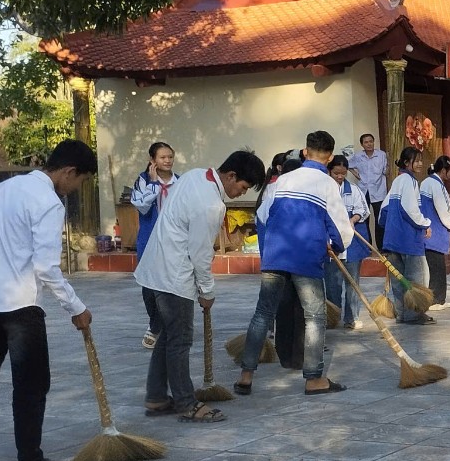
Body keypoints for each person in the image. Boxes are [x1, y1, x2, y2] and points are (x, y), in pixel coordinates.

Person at [0, 139, 98, 461]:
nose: (76, 188)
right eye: (80, 180)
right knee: (30, 386)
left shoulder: (3, 189)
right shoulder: (49, 202)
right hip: (20, 308)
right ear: (69, 172)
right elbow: (46, 266)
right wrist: (75, 307)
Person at [137, 151, 266, 423]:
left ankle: (157, 396)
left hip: (157, 267)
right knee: (180, 340)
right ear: (231, 176)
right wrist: (207, 291)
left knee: (168, 335)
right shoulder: (211, 205)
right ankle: (186, 403)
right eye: (242, 187)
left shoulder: (194, 175)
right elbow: (200, 253)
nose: (240, 193)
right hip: (175, 275)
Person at [237, 131, 353, 395]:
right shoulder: (328, 185)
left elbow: (262, 216)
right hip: (306, 257)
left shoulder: (282, 180)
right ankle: (313, 379)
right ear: (330, 157)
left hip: (276, 255)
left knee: (263, 314)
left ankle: (245, 376)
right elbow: (342, 230)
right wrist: (333, 246)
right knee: (315, 317)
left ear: (305, 152)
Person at [131, 142, 178, 349]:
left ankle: (165, 324)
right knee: (149, 285)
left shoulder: (179, 182)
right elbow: (141, 206)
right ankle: (155, 323)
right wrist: (153, 185)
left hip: (173, 240)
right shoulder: (143, 180)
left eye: (170, 157)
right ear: (152, 160)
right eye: (162, 157)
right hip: (149, 239)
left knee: (171, 283)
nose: (167, 161)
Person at [381, 147, 435, 324]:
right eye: (416, 160)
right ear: (406, 163)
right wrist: (425, 224)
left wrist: (390, 229)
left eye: (420, 160)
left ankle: (402, 314)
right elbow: (410, 210)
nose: (420, 164)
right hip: (409, 240)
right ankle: (415, 315)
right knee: (417, 279)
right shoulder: (410, 181)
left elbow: (383, 211)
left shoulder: (397, 181)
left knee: (398, 280)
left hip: (392, 240)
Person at [324, 155, 371, 331]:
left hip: (352, 244)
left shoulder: (354, 190)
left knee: (352, 283)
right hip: (331, 243)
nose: (340, 176)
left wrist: (353, 219)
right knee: (332, 284)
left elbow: (363, 210)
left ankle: (352, 318)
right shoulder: (323, 190)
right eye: (336, 173)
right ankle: (333, 317)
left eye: (343, 173)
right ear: (330, 171)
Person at [419, 155, 450, 312]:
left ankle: (438, 299)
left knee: (435, 268)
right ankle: (435, 300)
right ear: (443, 170)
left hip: (429, 232)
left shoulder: (428, 182)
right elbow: (445, 215)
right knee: (437, 269)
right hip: (433, 233)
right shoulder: (436, 185)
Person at [351, 132, 388, 248]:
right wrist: (355, 174)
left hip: (378, 190)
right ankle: (368, 247)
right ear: (362, 145)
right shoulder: (358, 156)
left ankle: (381, 247)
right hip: (364, 191)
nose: (369, 144)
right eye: (366, 142)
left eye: (371, 141)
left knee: (379, 219)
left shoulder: (381, 155)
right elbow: (348, 164)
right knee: (364, 218)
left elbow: (385, 171)